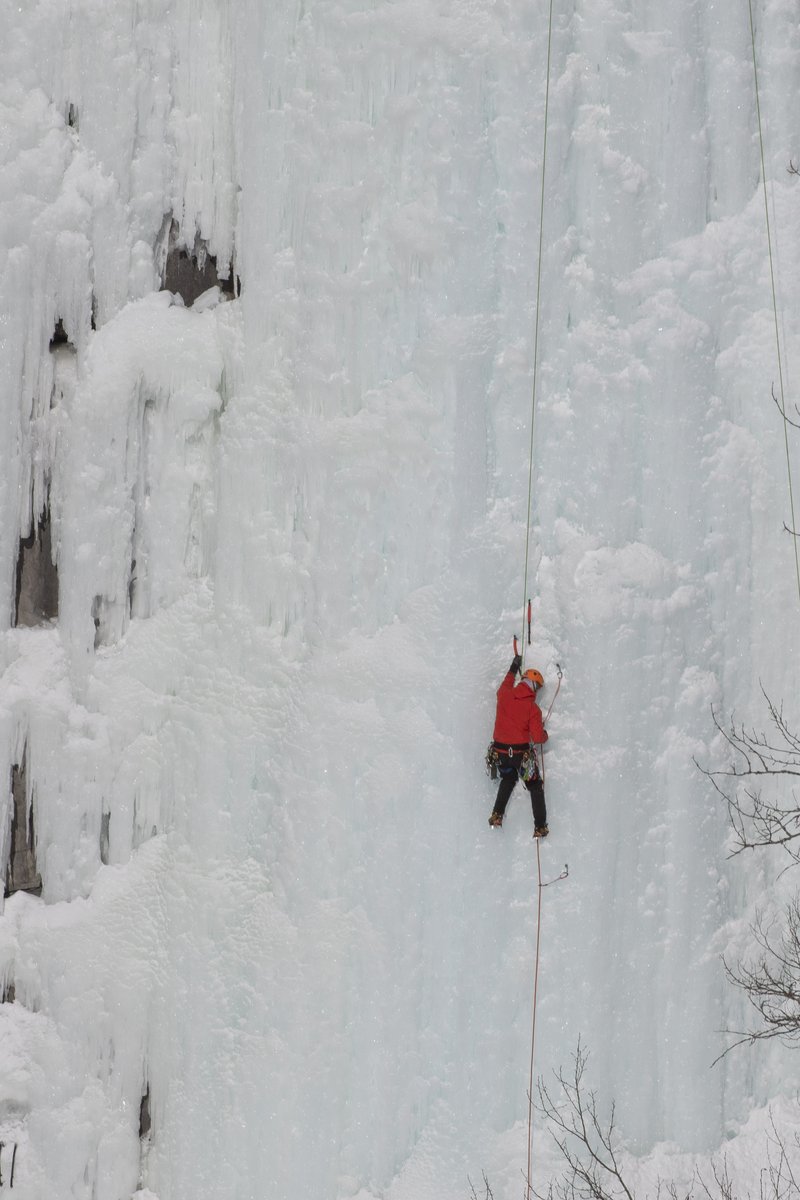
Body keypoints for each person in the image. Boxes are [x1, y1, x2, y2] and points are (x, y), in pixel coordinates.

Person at [488, 654, 549, 836]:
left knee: (508, 779)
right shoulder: (532, 708)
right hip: (521, 755)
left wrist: (514, 666)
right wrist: (545, 735)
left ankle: (497, 814)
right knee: (535, 785)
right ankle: (540, 827)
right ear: (534, 686)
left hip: (500, 752)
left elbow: (507, 681)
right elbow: (538, 738)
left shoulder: (504, 694)